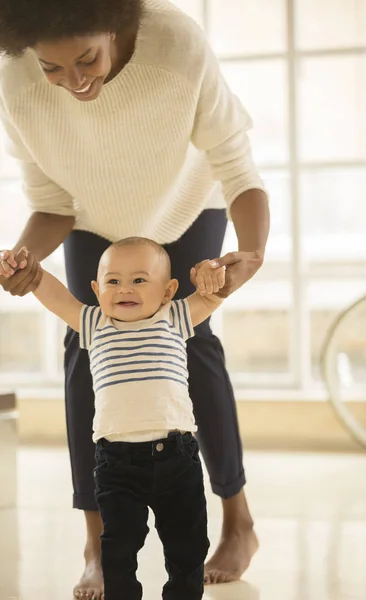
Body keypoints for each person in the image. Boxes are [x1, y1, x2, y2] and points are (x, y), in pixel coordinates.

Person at [0, 0, 270, 596]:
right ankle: (97, 542)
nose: (73, 82)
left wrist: (251, 251)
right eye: (52, 68)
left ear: (116, 28)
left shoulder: (175, 46)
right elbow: (50, 201)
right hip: (93, 222)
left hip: (187, 204)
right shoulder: (14, 72)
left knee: (193, 346)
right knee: (83, 353)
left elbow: (239, 171)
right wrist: (24, 261)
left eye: (87, 59)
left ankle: (237, 517)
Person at [2, 237, 230, 599]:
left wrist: (214, 275)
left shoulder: (175, 316)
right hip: (116, 463)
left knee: (187, 548)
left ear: (168, 290)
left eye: (139, 280)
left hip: (177, 458)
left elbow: (216, 293)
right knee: (118, 552)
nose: (125, 289)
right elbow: (54, 294)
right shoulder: (94, 322)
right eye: (113, 281)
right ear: (96, 288)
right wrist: (26, 269)